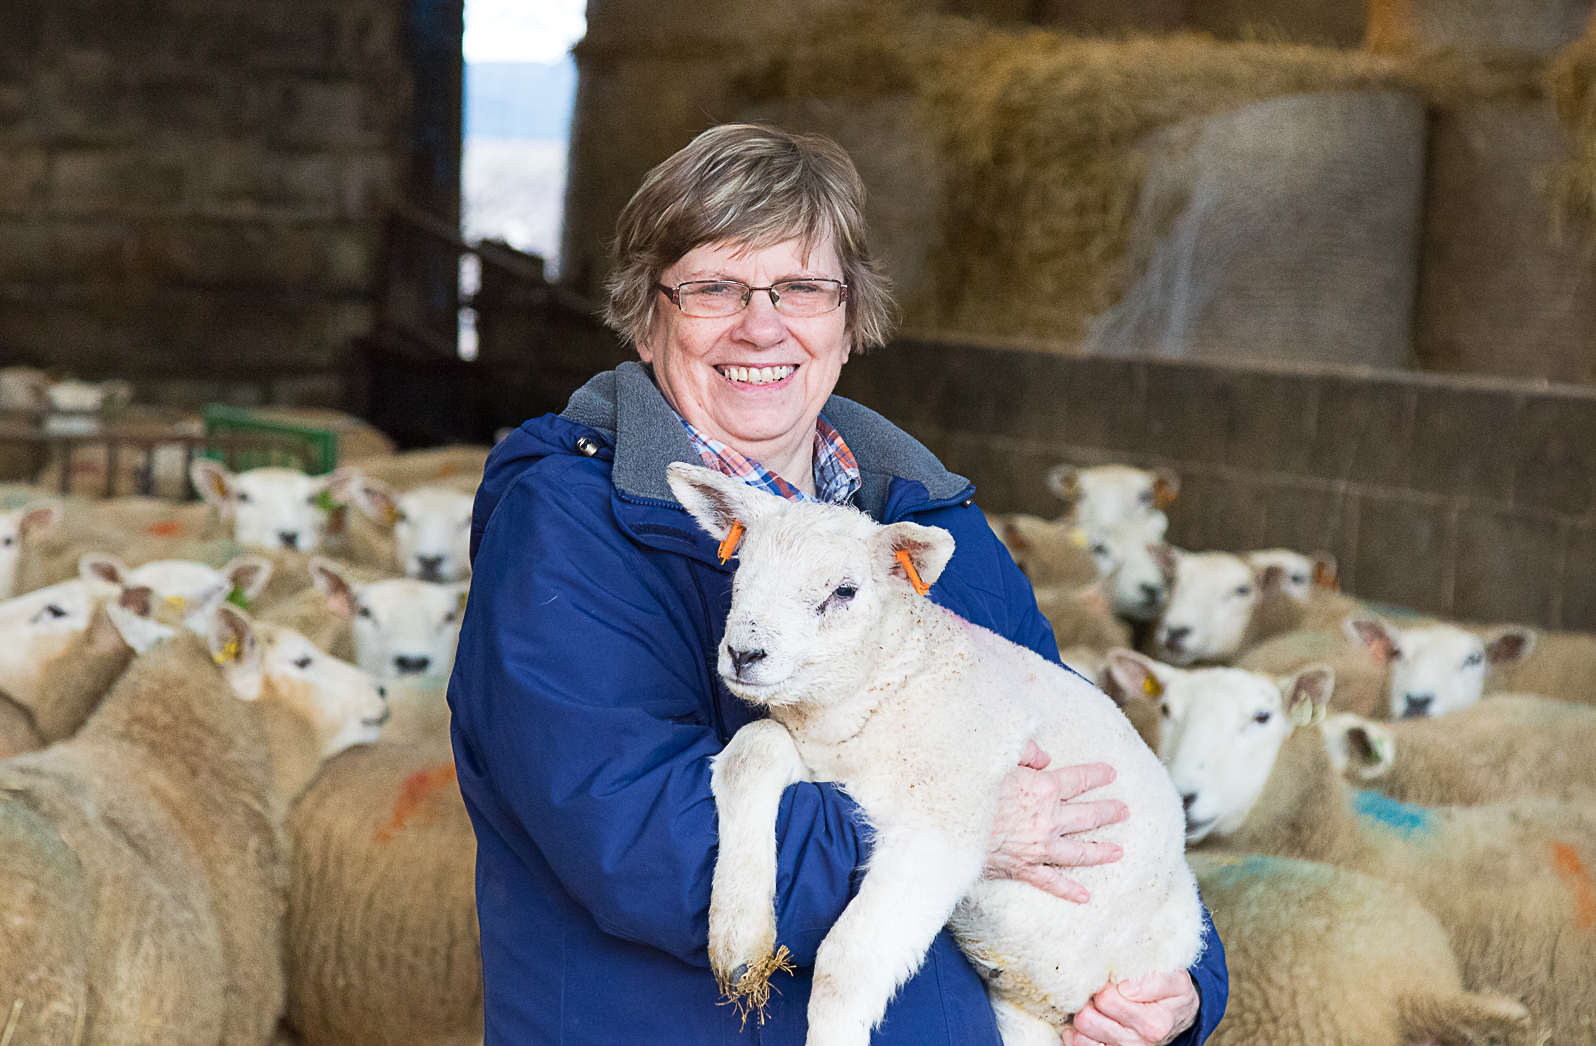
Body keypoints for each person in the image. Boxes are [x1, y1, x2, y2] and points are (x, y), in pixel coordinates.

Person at [448, 123, 1227, 1046]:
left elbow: (1083, 774)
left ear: (850, 317)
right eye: (713, 288)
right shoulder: (574, 529)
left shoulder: (934, 530)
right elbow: (635, 844)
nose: (761, 325)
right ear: (646, 314)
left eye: (802, 288)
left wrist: (1173, 985)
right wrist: (954, 830)